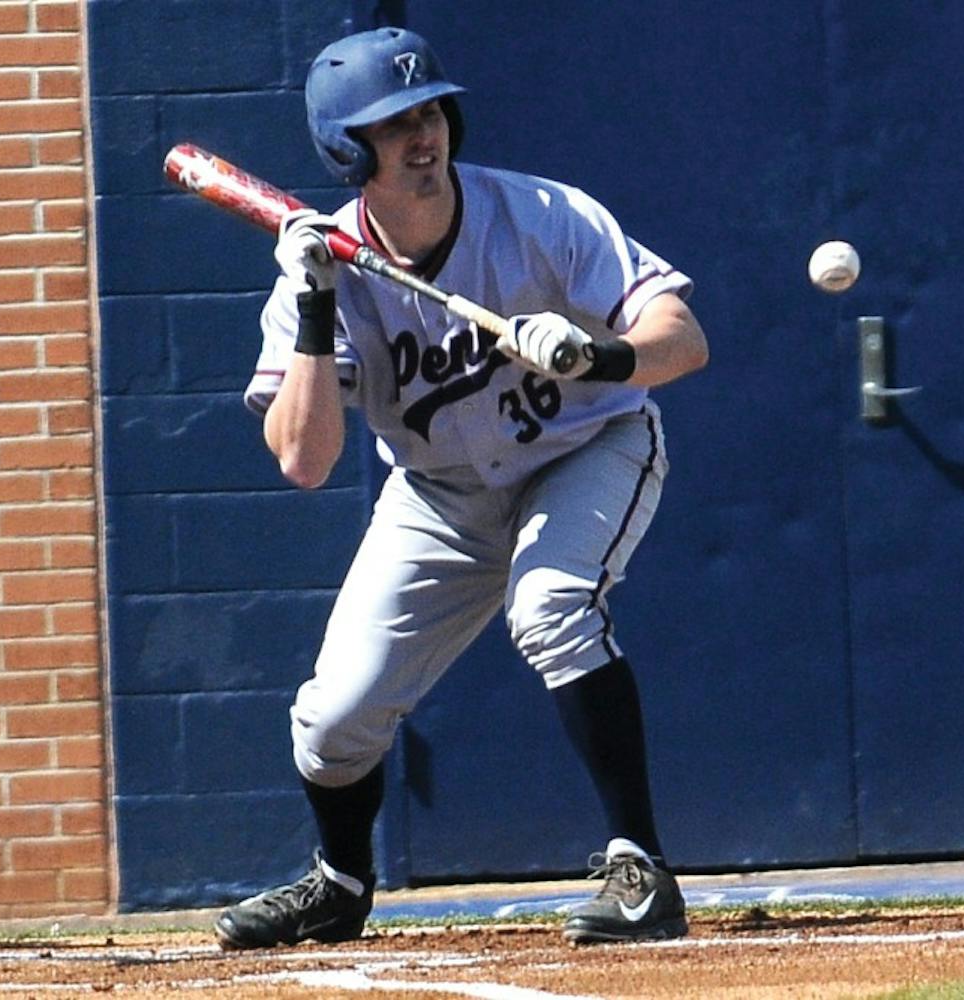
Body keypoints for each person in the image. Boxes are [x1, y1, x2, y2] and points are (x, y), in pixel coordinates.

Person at [216, 26, 709, 949]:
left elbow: (682, 338)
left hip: (585, 447)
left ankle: (641, 868)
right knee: (332, 721)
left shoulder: (541, 214)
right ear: (348, 151)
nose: (422, 135)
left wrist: (598, 353)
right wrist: (316, 308)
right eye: (392, 123)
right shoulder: (320, 275)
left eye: (430, 111)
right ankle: (341, 883)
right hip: (441, 495)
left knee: (551, 606)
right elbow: (304, 459)